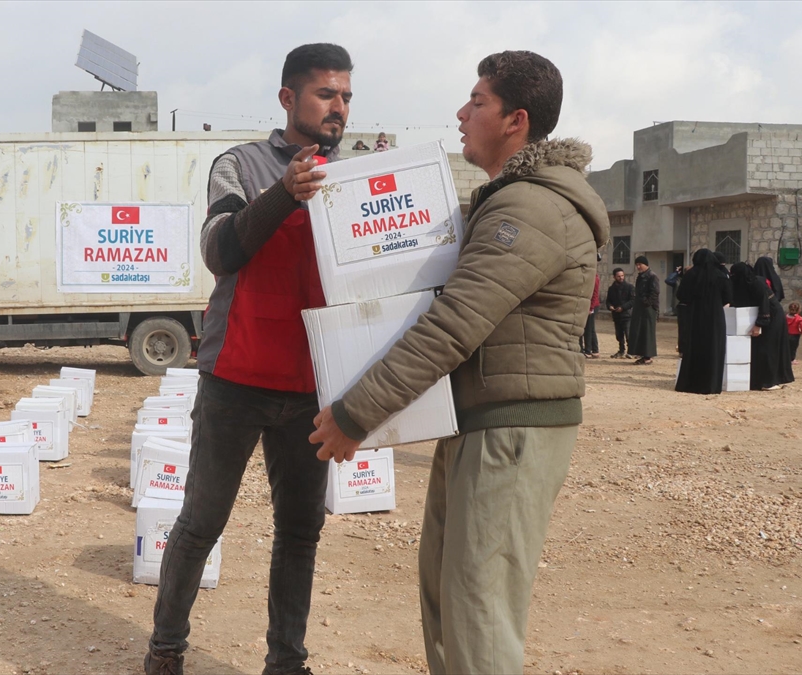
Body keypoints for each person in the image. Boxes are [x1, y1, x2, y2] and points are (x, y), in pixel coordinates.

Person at [308, 50, 608, 675]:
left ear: (515, 121)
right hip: (481, 418)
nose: (461, 114)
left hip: (512, 428)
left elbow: (453, 326)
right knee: (448, 596)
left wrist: (356, 414)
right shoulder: (512, 200)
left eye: (478, 102)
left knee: (479, 608)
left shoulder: (529, 209)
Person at [143, 43, 353, 675]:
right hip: (234, 379)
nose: (338, 107)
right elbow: (220, 250)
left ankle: (287, 662)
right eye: (325, 94)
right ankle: (165, 652)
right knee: (201, 523)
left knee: (300, 532)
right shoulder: (240, 165)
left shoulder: (356, 178)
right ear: (288, 98)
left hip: (313, 387)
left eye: (346, 96)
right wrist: (283, 194)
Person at [674, 249, 732, 394]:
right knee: (713, 348)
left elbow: (681, 295)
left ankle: (691, 384)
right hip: (715, 317)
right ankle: (711, 384)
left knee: (694, 347)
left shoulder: (691, 275)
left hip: (695, 315)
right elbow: (728, 297)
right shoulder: (720, 275)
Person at [754, 256, 796, 384]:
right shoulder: (774, 278)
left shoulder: (756, 279)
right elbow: (778, 295)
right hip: (775, 314)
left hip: (760, 314)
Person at [628, 255, 660, 364]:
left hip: (648, 309)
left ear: (645, 264)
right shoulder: (641, 276)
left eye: (640, 264)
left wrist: (646, 302)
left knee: (647, 332)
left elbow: (655, 292)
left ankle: (648, 357)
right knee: (639, 331)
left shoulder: (652, 276)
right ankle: (642, 353)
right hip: (640, 308)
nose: (638, 267)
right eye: (636, 265)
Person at [607, 267, 634, 358]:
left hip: (627, 315)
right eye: (619, 276)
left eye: (622, 275)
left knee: (628, 334)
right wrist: (610, 306)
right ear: (614, 277)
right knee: (619, 335)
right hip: (616, 315)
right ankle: (621, 350)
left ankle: (631, 351)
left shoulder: (629, 287)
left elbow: (632, 300)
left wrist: (623, 307)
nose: (621, 278)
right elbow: (608, 301)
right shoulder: (611, 289)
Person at [580, 269, 601, 357]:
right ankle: (595, 349)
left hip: (592, 306)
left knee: (588, 328)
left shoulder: (594, 278)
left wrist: (591, 308)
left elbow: (595, 294)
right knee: (591, 328)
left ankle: (588, 350)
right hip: (587, 305)